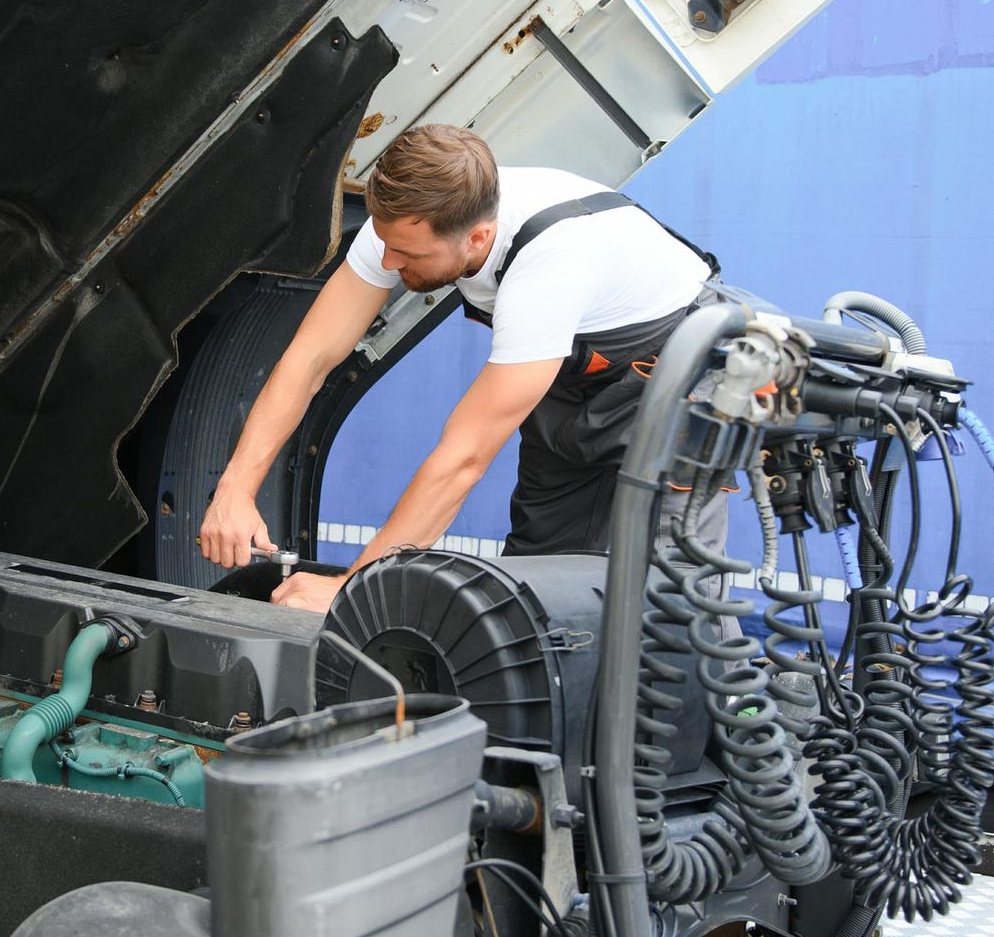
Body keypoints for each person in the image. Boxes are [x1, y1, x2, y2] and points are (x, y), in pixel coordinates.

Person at [198, 124, 720, 613]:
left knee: (674, 605)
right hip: (571, 378)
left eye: (407, 254)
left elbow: (464, 458)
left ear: (476, 238)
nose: (388, 265)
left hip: (674, 382)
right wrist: (235, 490)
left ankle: (727, 705)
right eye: (387, 245)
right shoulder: (408, 224)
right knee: (538, 591)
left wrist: (350, 593)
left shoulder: (552, 264)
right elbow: (309, 360)